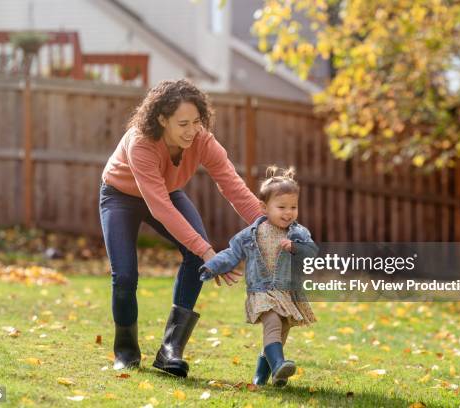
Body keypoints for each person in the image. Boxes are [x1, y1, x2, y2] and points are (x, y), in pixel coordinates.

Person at [99, 79, 263, 377]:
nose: (192, 131)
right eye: (183, 123)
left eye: (197, 122)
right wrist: (207, 251)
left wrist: (268, 227)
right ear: (161, 119)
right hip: (120, 196)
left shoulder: (202, 140)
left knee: (194, 254)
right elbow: (160, 208)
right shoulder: (141, 143)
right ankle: (126, 351)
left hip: (166, 191)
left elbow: (233, 187)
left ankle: (170, 350)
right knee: (124, 275)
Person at [199, 166, 318, 387]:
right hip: (262, 291)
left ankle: (265, 376)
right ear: (264, 207)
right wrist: (211, 267)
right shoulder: (250, 235)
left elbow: (313, 252)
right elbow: (231, 253)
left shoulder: (298, 234)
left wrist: (295, 248)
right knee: (271, 324)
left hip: (288, 292)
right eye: (281, 207)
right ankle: (280, 363)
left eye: (293, 207)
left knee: (280, 333)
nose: (288, 212)